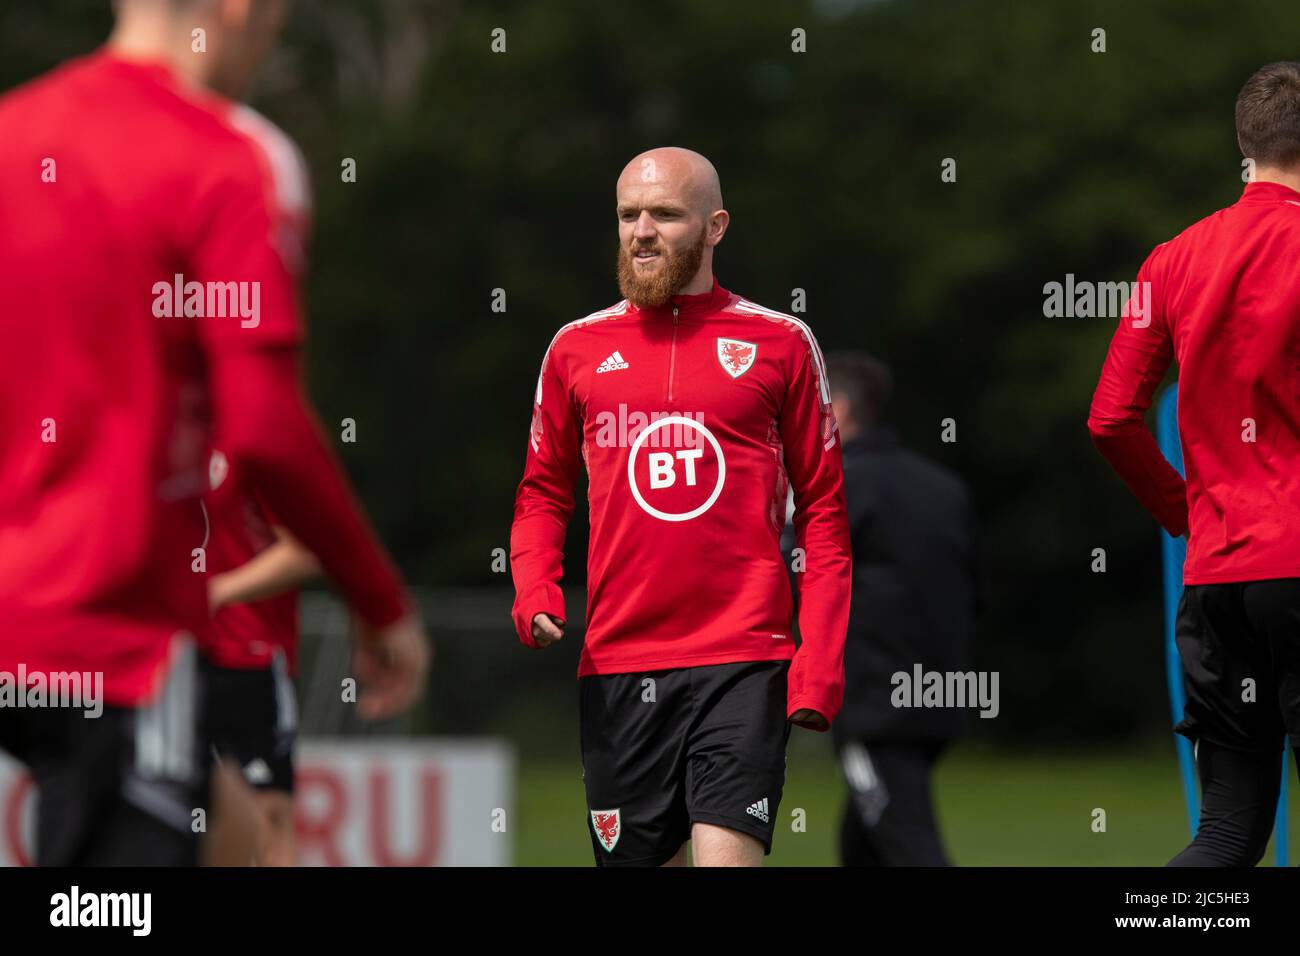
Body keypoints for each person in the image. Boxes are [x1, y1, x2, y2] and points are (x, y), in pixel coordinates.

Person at [0, 0, 429, 866]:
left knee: (231, 839)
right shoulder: (231, 157)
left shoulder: (12, 136)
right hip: (111, 638)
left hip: (31, 623)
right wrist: (380, 601)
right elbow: (265, 428)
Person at [510, 147, 851, 867]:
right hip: (617, 667)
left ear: (715, 226)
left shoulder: (780, 343)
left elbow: (823, 514)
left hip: (743, 659)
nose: (641, 230)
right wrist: (535, 586)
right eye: (628, 214)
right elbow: (543, 490)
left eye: (664, 214)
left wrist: (816, 664)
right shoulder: (575, 349)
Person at [1089, 61, 1300, 866]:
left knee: (1227, 833)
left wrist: (1188, 514)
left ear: (1245, 147)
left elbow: (1110, 419)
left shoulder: (1171, 258)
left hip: (1216, 577)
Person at [808, 353, 979, 866]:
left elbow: (792, 573)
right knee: (864, 840)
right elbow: (978, 592)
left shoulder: (835, 487)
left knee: (906, 841)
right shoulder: (945, 487)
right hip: (941, 700)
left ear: (835, 410)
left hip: (873, 705)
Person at [202, 448, 320, 866]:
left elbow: (304, 551)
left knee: (267, 818)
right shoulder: (159, 431)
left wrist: (218, 592)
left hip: (248, 662)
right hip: (170, 659)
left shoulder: (255, 441)